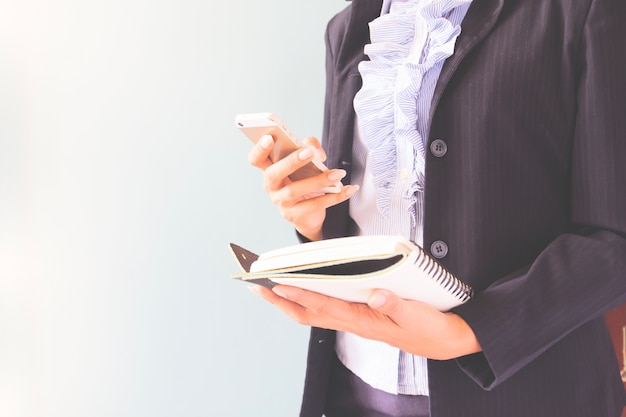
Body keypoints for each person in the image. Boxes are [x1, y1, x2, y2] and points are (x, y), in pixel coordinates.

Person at [246, 0, 626, 416]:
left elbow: (612, 237)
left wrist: (468, 332)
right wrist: (314, 223)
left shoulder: (585, 10)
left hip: (526, 396)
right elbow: (365, 212)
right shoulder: (347, 27)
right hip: (352, 390)